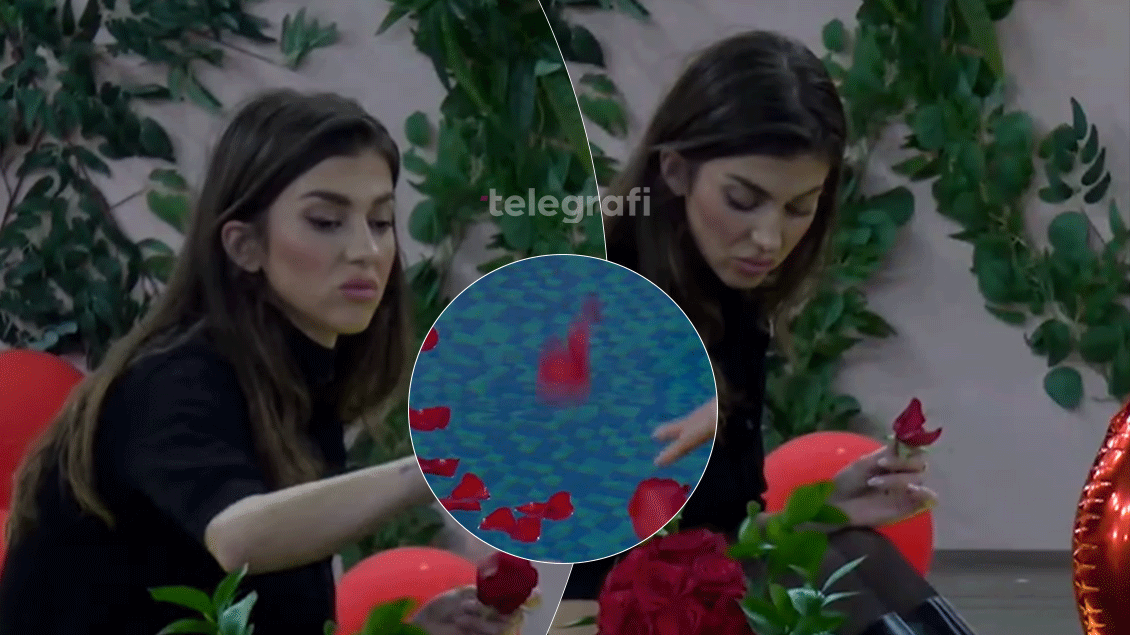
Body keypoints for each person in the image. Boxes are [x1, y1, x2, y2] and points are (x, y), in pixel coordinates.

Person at [0, 90, 524, 635]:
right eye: (326, 221)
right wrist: (438, 464)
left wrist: (413, 630)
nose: (366, 251)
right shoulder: (174, 378)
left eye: (381, 221)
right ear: (243, 245)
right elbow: (239, 539)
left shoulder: (296, 386)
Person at [557, 31, 979, 635]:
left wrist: (822, 509)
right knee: (820, 575)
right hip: (595, 617)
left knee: (852, 551)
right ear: (675, 172)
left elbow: (720, 542)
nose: (769, 239)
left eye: (799, 208)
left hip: (686, 604)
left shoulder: (732, 310)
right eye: (742, 200)